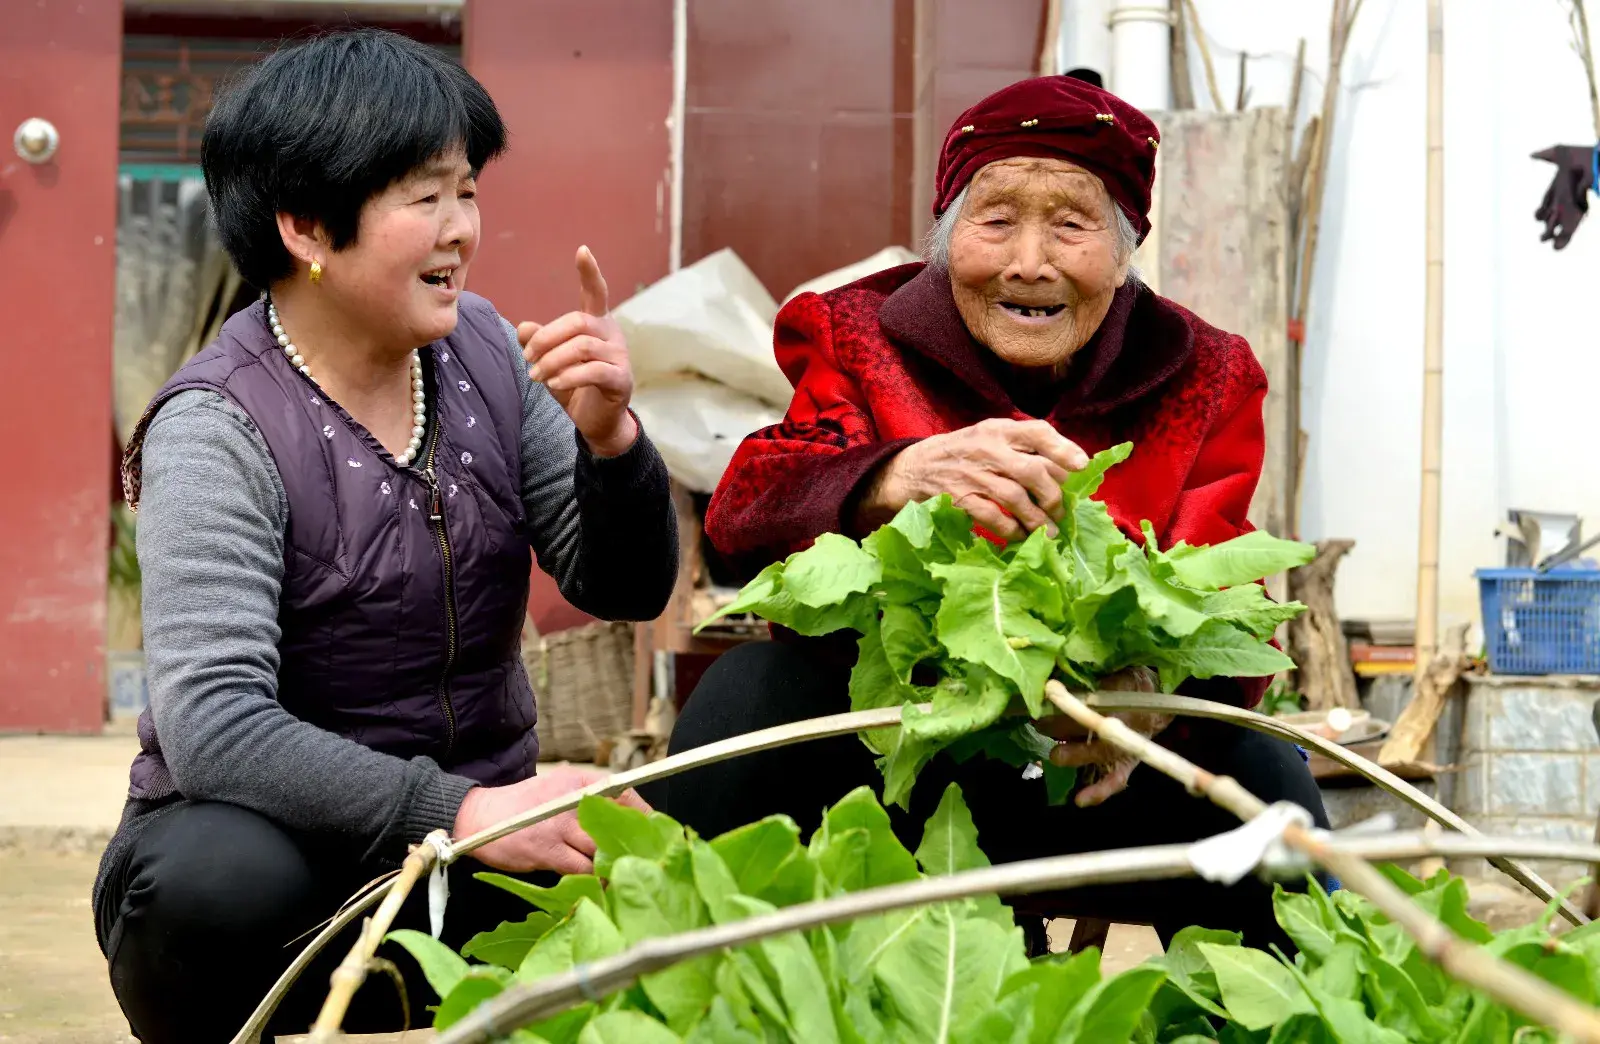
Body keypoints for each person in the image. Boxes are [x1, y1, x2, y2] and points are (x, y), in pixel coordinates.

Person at [646, 74, 1330, 954]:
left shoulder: (1205, 373)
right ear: (946, 237)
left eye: (1072, 224)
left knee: (1268, 783)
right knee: (743, 701)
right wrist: (891, 476)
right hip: (896, 752)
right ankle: (684, 979)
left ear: (1124, 253)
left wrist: (1151, 701)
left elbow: (1227, 590)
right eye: (996, 219)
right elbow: (743, 509)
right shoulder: (859, 335)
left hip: (1091, 772)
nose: (1029, 262)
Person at [92, 30, 678, 1042]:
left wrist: (611, 441)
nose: (462, 230)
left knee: (672, 873)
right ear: (309, 228)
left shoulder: (484, 353)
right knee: (213, 890)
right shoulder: (216, 427)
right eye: (425, 198)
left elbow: (619, 584)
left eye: (468, 192)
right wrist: (462, 812)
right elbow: (215, 726)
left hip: (476, 839)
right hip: (285, 856)